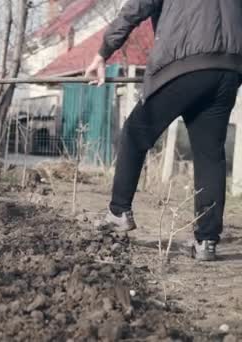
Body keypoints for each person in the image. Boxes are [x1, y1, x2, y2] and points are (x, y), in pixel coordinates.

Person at [84, 0, 242, 261]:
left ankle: (118, 212)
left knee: (135, 133)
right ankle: (207, 241)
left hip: (185, 60)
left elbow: (137, 6)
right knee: (210, 154)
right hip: (229, 68)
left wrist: (103, 52)